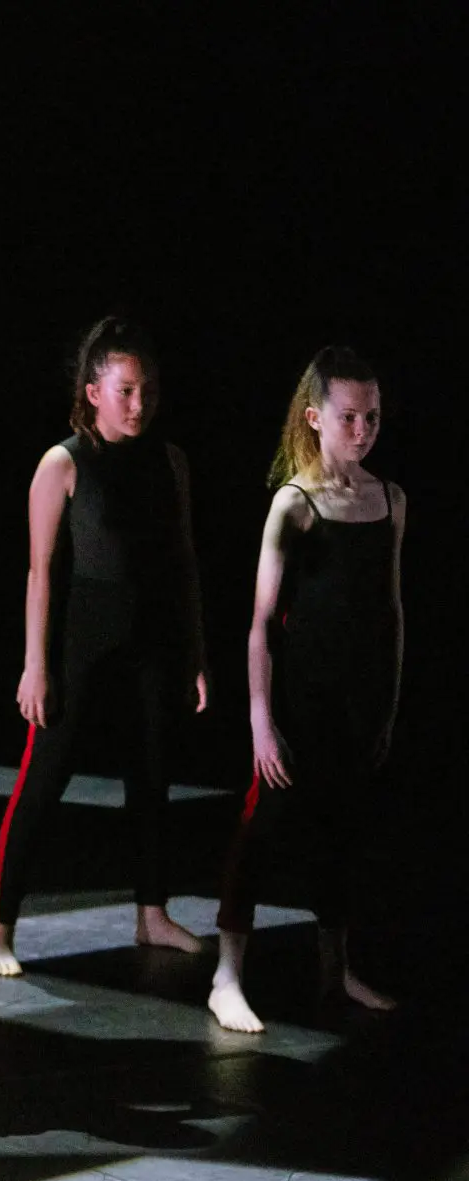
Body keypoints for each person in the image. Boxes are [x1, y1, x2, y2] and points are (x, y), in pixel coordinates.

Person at [0, 317, 210, 976]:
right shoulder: (63, 463)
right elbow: (40, 569)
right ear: (92, 392)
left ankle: (152, 913)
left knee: (153, 776)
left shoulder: (170, 461)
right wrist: (34, 663)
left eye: (147, 391)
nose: (140, 405)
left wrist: (195, 654)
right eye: (126, 390)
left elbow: (186, 562)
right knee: (44, 780)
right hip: (81, 641)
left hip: (154, 642)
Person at [210, 348, 401, 1033]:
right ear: (316, 418)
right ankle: (226, 975)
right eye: (349, 417)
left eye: (372, 416)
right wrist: (263, 721)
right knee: (262, 831)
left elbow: (392, 614)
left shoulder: (390, 501)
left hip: (357, 702)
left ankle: (335, 969)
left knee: (343, 833)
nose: (363, 429)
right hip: (297, 698)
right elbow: (261, 623)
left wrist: (388, 708)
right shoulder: (295, 504)